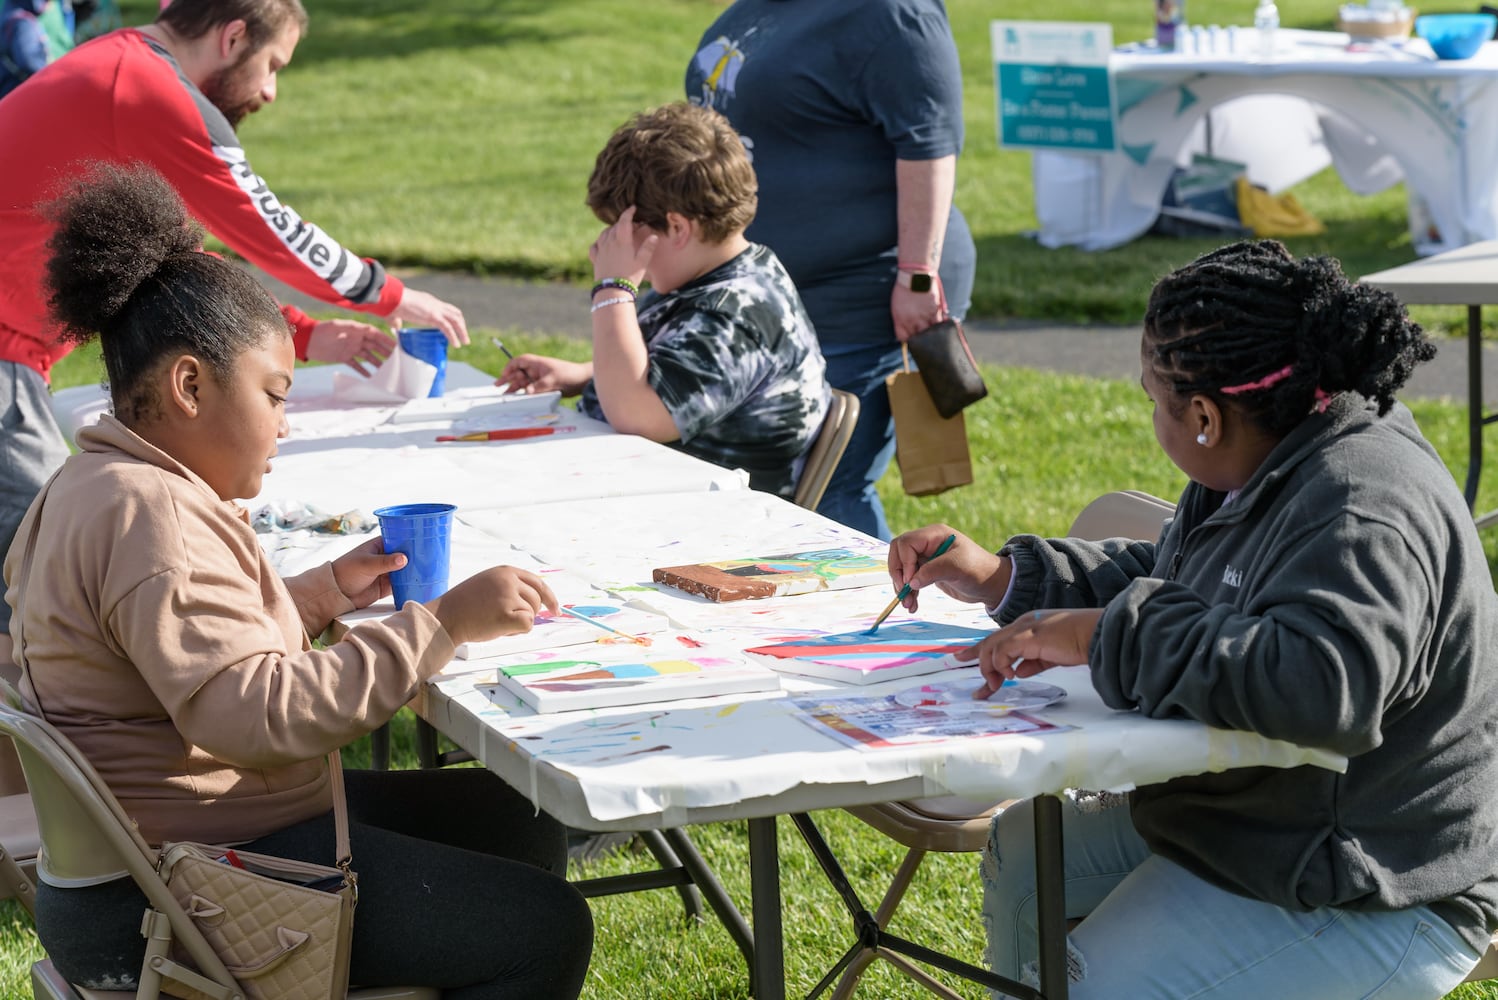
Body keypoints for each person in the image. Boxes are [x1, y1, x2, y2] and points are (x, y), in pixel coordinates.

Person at [2, 161, 592, 998]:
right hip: (172, 898)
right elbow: (254, 716)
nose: (286, 421)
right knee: (543, 930)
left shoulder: (95, 483)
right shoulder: (153, 517)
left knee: (512, 818)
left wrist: (313, 598)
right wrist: (443, 624)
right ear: (190, 385)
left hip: (149, 863)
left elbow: (187, 665)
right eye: (276, 395)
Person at [888, 240, 1498, 998]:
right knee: (1025, 857)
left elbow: (1324, 687)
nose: (1152, 413)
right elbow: (1187, 580)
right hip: (1255, 820)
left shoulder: (1360, 502)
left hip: (1370, 877)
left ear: (1205, 416)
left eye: (1154, 399)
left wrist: (1107, 633)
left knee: (1086, 982)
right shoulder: (1271, 443)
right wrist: (1006, 578)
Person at [0, 0, 470, 637]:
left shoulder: (120, 71)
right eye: (272, 64)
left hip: (17, 354)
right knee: (42, 600)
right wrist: (388, 294)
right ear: (233, 36)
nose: (271, 90)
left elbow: (172, 265)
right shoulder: (148, 88)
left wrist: (304, 333)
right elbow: (266, 220)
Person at [686, 0, 976, 540]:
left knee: (827, 483)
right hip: (776, 293)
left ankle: (864, 617)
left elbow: (929, 143)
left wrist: (916, 275)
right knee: (774, 482)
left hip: (866, 289)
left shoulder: (895, 15)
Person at [497, 102, 830, 501]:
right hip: (650, 494)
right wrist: (587, 375)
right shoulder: (719, 278)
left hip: (706, 524)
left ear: (676, 227)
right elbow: (678, 371)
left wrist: (613, 288)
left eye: (622, 233)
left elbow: (639, 416)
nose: (601, 249)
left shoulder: (737, 312)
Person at [0, 0, 49, 97]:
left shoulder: (7, 17)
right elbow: (29, 62)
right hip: (17, 92)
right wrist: (51, 78)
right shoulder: (23, 22)